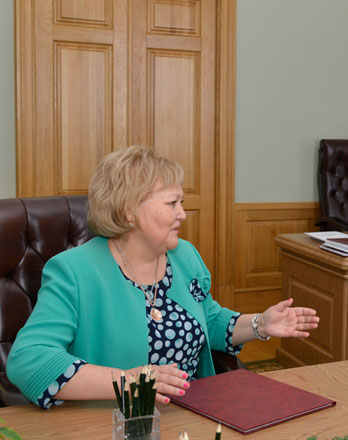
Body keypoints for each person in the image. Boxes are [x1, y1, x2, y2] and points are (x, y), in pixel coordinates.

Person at [7, 146, 320, 408]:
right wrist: (131, 381)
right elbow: (28, 360)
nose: (182, 213)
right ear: (129, 211)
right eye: (172, 203)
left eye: (181, 202)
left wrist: (259, 325)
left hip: (195, 414)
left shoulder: (185, 255)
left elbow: (209, 321)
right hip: (118, 425)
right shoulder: (74, 271)